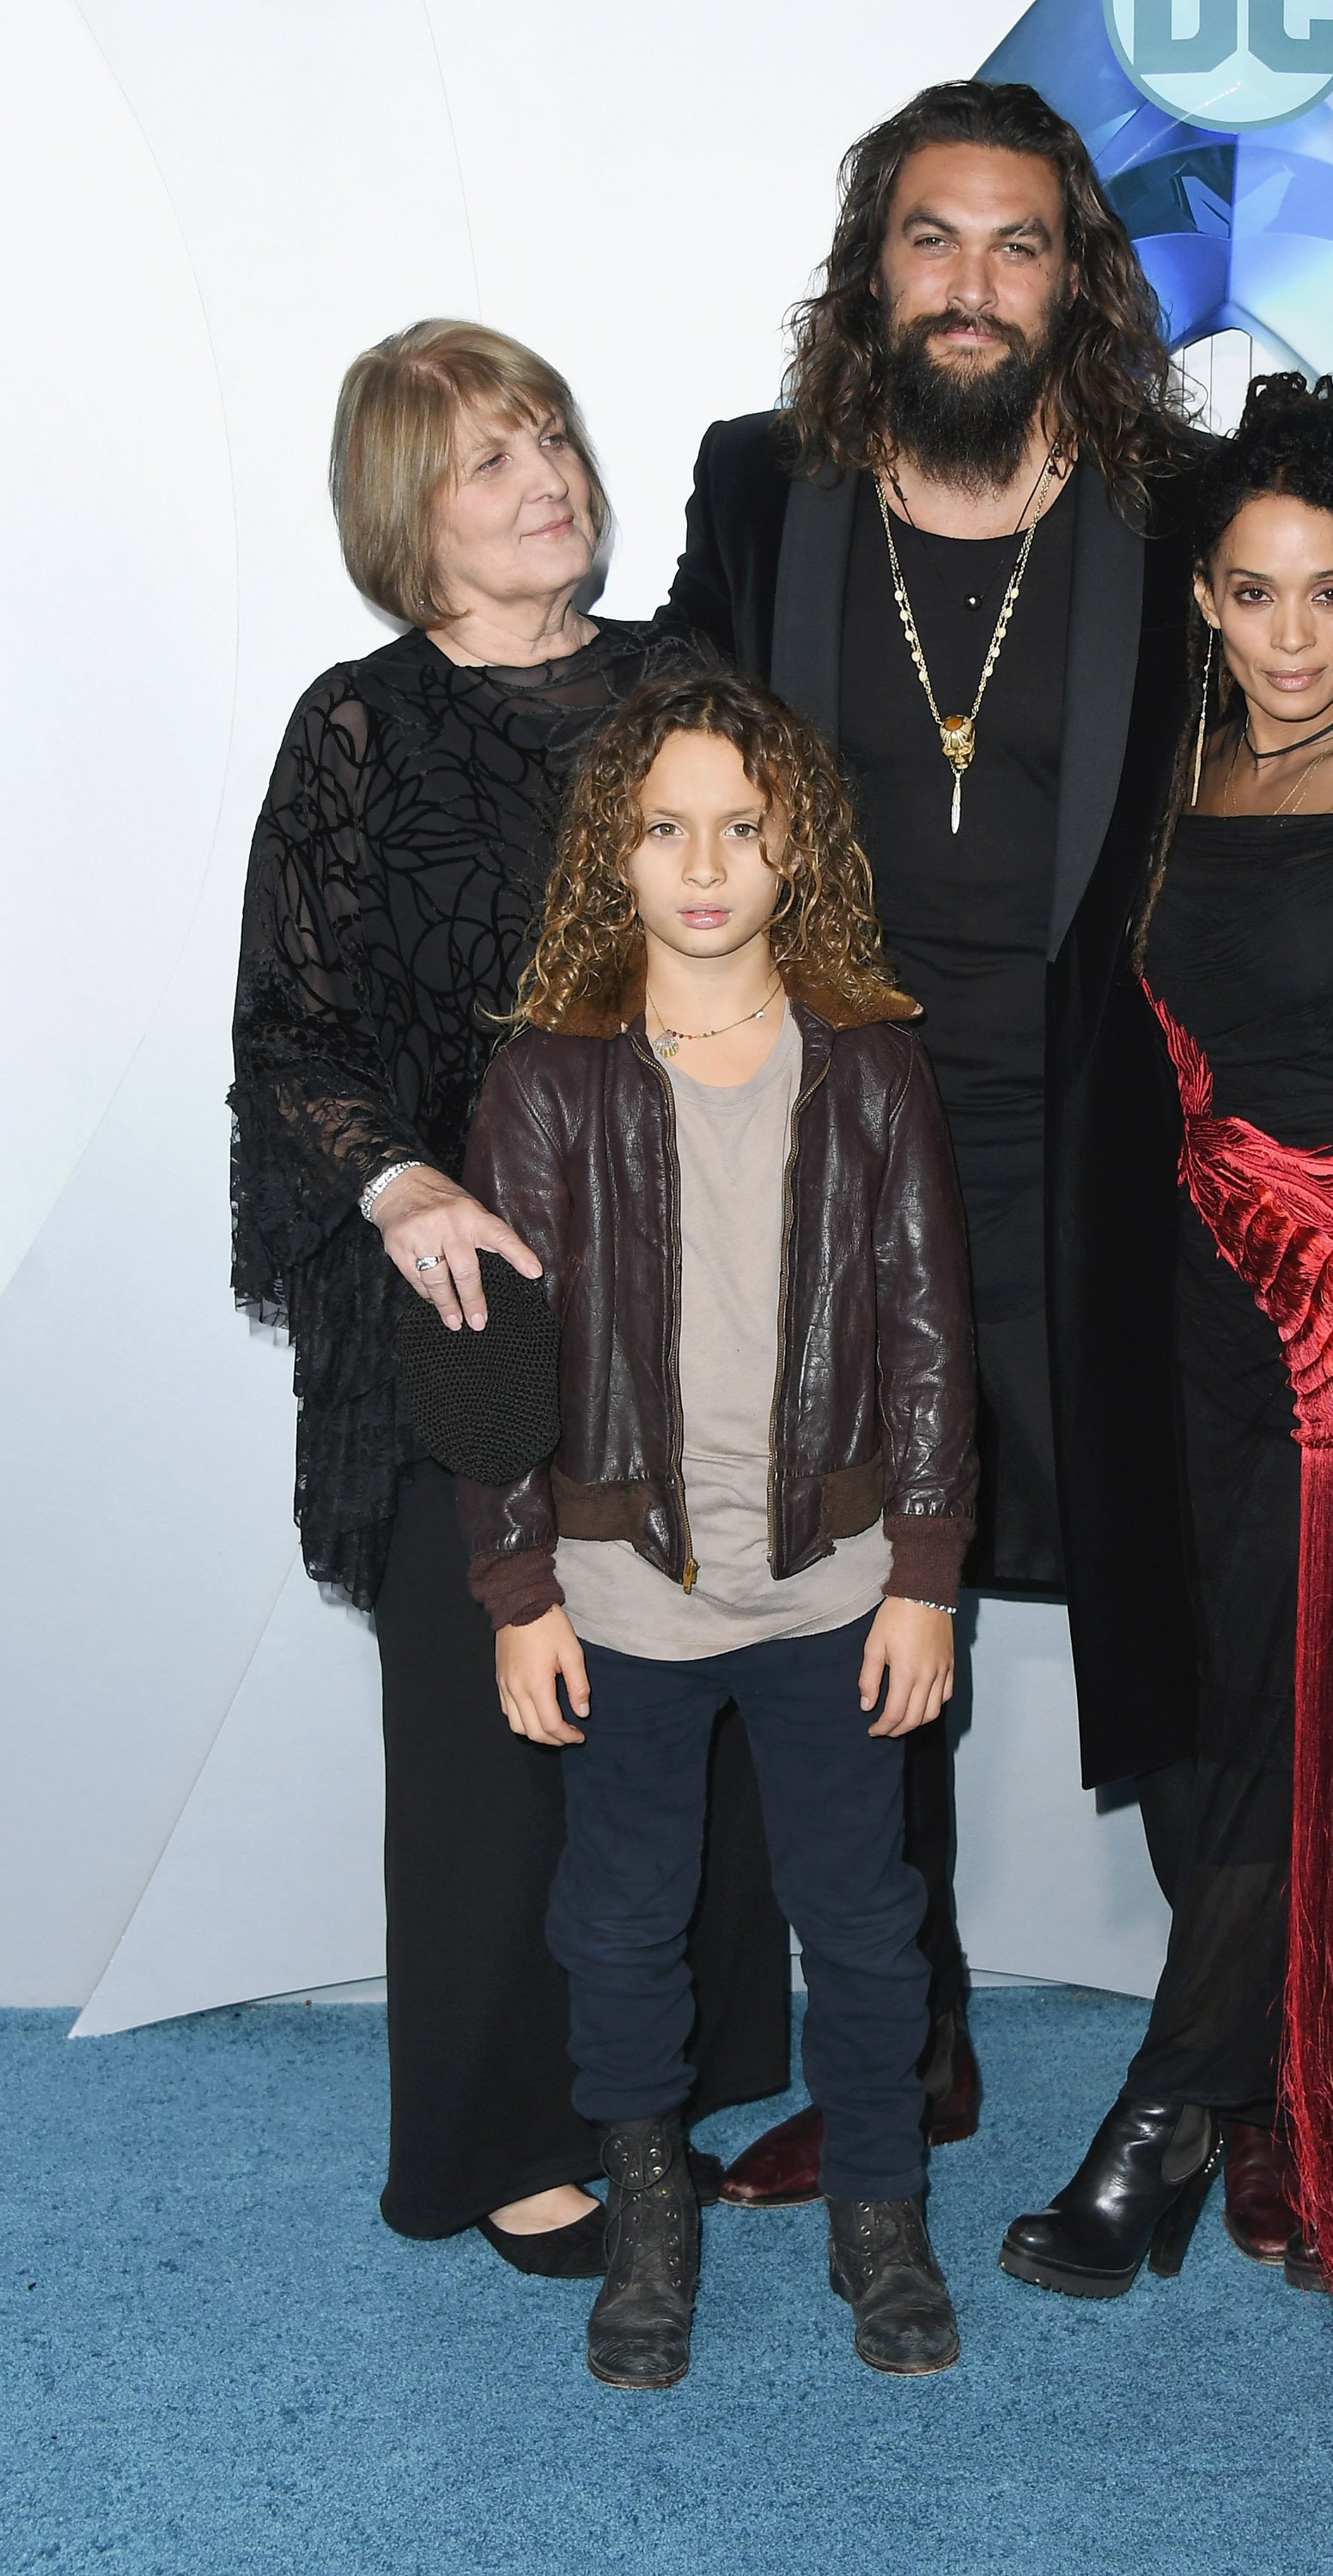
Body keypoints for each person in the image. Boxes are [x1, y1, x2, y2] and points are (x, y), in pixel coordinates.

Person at [666, 77, 1208, 2207]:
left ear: (1072, 276)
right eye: (929, 240)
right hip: (835, 1164)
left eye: (1015, 245)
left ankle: (1220, 2073)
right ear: (868, 266)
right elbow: (668, 798)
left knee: (1180, 1633)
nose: (968, 287)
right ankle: (908, 2058)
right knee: (853, 1636)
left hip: (1122, 1162)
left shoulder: (1178, 504)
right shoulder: (763, 491)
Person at [1001, 374, 1333, 2385]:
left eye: (1327, 592)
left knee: (1312, 1727)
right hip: (1181, 1310)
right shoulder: (1175, 781)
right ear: (1206, 604)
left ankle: (1160, 2117)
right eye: (1252, 593)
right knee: (1210, 1715)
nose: (1292, 635)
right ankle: (1292, 2101)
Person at [229, 320, 788, 2270]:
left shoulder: (682, 690)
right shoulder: (356, 729)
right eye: (485, 459)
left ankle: (650, 2093)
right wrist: (398, 1183)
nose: (542, 476)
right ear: (410, 512)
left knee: (678, 1710)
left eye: (547, 435)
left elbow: (787, 939)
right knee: (496, 1735)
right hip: (469, 1294)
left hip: (691, 1275)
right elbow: (291, 1035)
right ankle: (504, 2142)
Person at [457, 663, 977, 2388]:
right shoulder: (547, 1080)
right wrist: (520, 1585)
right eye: (664, 830)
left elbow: (925, 1331)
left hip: (832, 1584)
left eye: (740, 831)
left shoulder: (872, 1063)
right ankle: (649, 2209)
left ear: (794, 852)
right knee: (617, 1922)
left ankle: (879, 2216)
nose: (702, 866)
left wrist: (920, 1570)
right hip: (623, 1592)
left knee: (863, 1914)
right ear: (610, 856)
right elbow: (495, 1353)